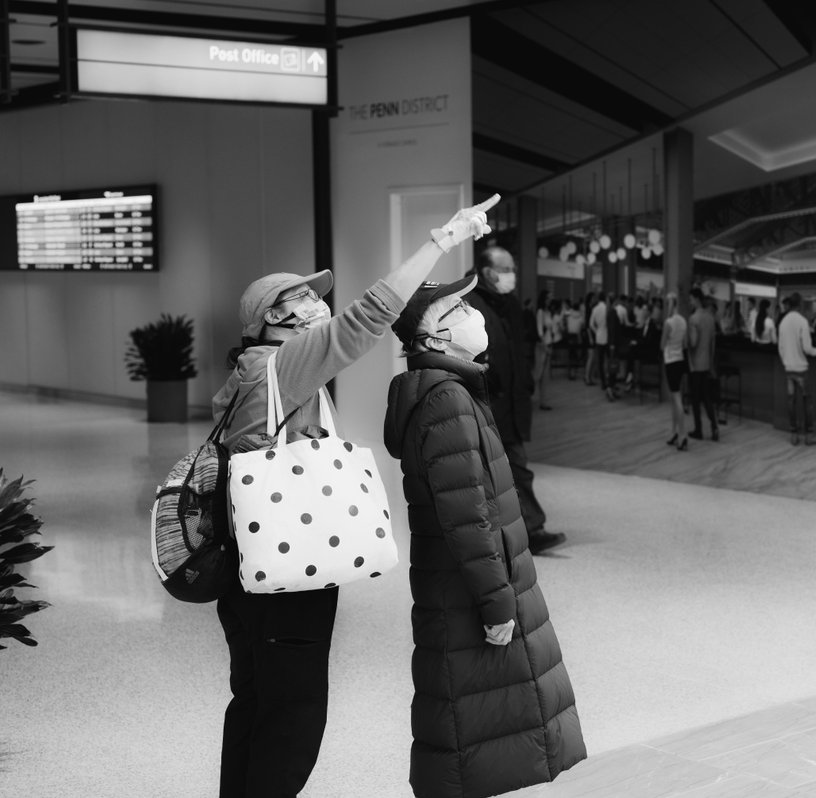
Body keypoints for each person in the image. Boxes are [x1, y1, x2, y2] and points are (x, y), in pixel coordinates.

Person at [212, 194, 499, 798]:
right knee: (293, 718)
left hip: (247, 571)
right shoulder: (285, 365)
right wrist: (441, 241)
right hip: (287, 574)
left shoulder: (249, 371)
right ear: (277, 319)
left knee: (256, 703)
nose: (319, 303)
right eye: (305, 297)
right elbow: (371, 315)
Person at [384, 276, 587, 798]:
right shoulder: (446, 399)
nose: (470, 312)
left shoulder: (447, 390)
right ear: (431, 341)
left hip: (462, 589)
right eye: (454, 308)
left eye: (466, 302)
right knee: (473, 729)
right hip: (470, 594)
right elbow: (467, 517)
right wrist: (498, 604)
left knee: (476, 727)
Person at [468, 247, 566, 555]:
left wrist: (526, 384)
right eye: (507, 268)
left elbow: (518, 351)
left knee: (514, 468)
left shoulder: (508, 304)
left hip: (511, 404)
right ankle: (523, 530)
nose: (513, 274)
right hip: (485, 403)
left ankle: (526, 529)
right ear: (488, 272)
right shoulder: (469, 304)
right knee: (495, 472)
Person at [778, 291, 816, 446]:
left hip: (789, 368)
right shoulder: (803, 321)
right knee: (807, 402)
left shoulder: (783, 322)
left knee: (791, 402)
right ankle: (809, 435)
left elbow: (781, 347)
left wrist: (786, 362)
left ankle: (793, 434)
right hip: (802, 368)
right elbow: (807, 348)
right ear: (800, 304)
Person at [687, 286, 719, 441]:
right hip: (707, 363)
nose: (690, 302)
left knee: (695, 398)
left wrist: (685, 342)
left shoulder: (694, 319)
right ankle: (714, 426)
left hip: (695, 364)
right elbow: (713, 345)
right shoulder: (710, 318)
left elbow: (693, 343)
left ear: (696, 299)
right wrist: (711, 363)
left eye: (691, 299)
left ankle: (698, 430)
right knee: (707, 398)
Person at [660, 293, 690, 451]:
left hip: (670, 361)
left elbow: (661, 345)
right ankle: (674, 432)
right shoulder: (684, 321)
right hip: (680, 361)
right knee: (675, 397)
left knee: (676, 399)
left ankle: (683, 434)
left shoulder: (668, 322)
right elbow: (685, 344)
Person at [533, 290, 558, 411]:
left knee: (544, 376)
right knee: (538, 374)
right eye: (548, 298)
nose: (550, 300)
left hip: (548, 345)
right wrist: (546, 347)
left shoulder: (548, 312)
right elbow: (540, 332)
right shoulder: (541, 312)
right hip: (542, 347)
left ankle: (543, 401)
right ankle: (530, 398)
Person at [587, 292, 608, 389]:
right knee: (607, 360)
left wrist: (597, 331)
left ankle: (603, 382)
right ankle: (608, 382)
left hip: (598, 337)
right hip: (607, 336)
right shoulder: (607, 308)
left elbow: (591, 324)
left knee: (600, 361)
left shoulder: (595, 309)